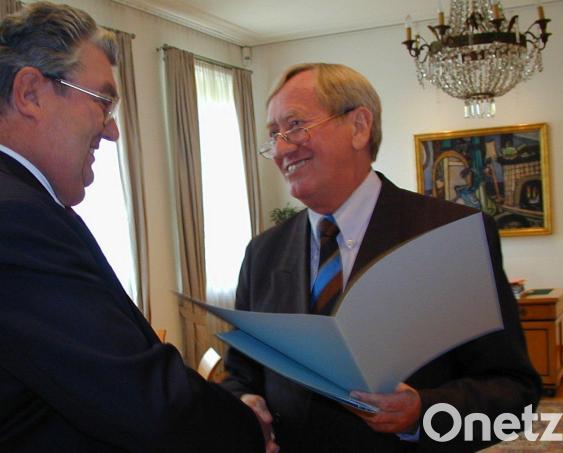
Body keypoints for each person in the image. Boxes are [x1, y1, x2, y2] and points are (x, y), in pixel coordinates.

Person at [0, 3, 270, 451]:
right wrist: (248, 429)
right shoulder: (1, 218)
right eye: (103, 101)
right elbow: (136, 398)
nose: (113, 130)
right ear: (31, 93)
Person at [221, 63, 541, 452]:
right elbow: (241, 374)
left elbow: (513, 392)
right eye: (274, 135)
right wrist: (243, 403)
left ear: (359, 126)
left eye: (296, 126)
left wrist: (424, 411)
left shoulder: (452, 237)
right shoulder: (263, 253)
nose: (283, 148)